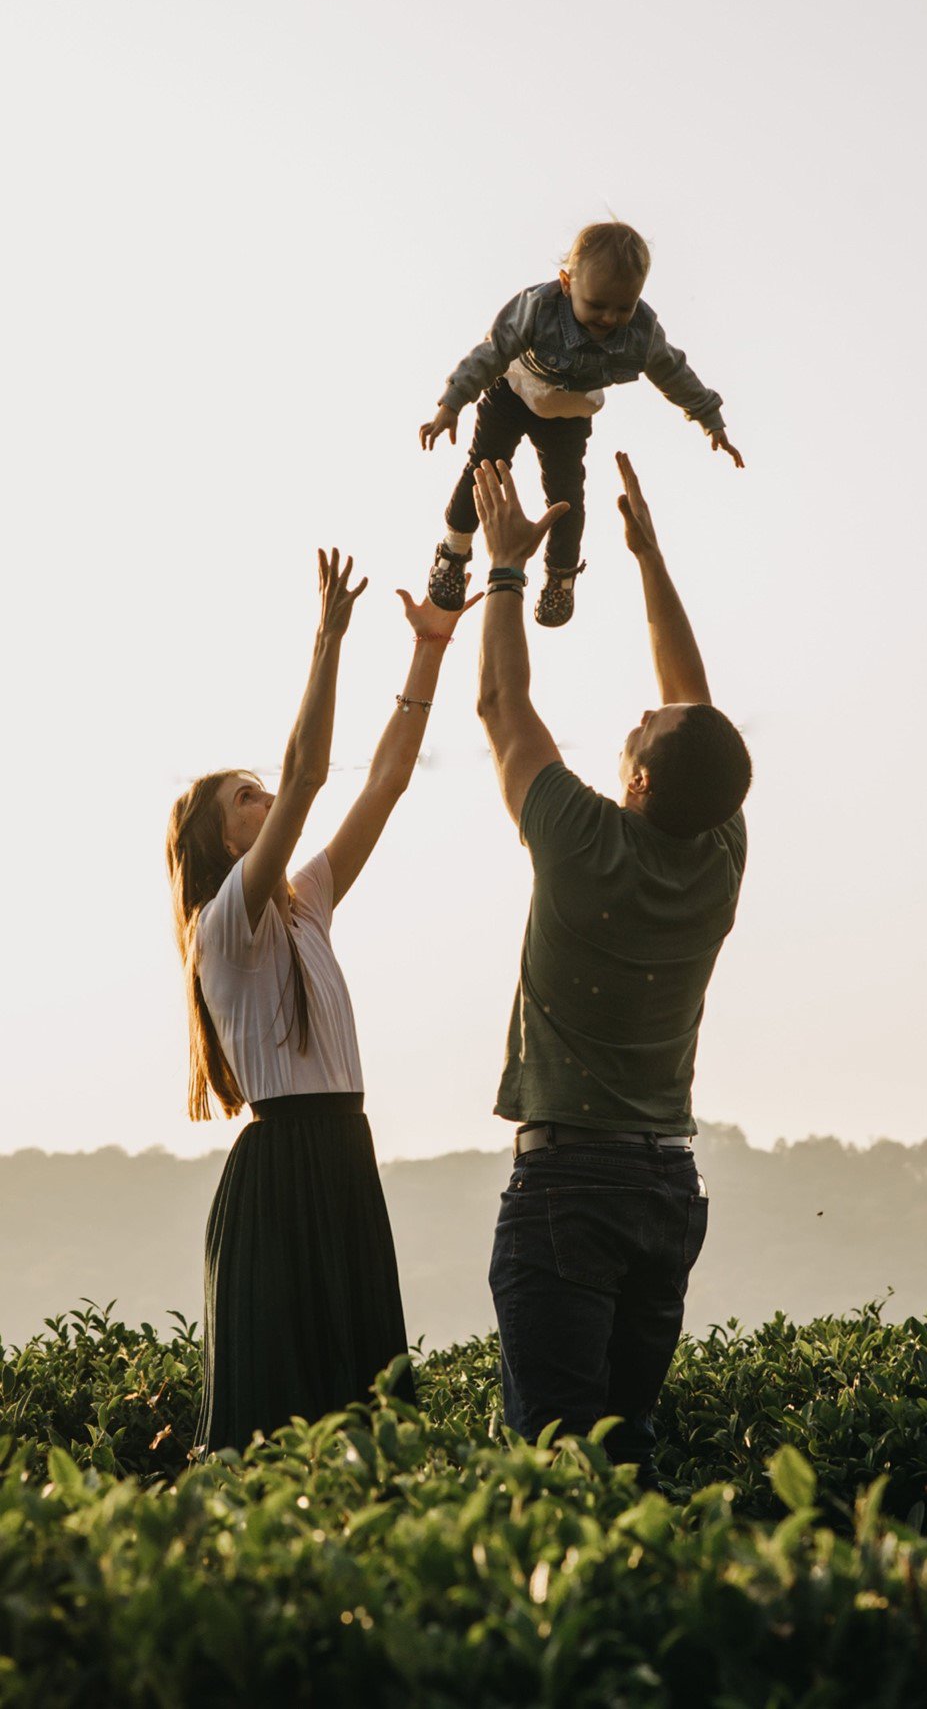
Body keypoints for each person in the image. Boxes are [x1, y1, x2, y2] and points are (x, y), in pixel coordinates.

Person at [470, 452, 752, 1486]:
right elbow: (697, 712)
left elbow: (502, 706)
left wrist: (505, 570)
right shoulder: (717, 850)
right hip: (665, 1184)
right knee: (627, 1458)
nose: (640, 711)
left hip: (571, 1182)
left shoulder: (583, 840)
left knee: (552, 1464)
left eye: (639, 730)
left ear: (633, 778)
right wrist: (647, 559)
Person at [165, 549, 472, 1453]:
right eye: (245, 798)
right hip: (283, 1172)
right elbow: (309, 777)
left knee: (367, 1419)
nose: (267, 801)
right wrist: (328, 641)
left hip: (342, 1155)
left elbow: (383, 783)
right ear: (218, 838)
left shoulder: (305, 905)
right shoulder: (225, 921)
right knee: (278, 1428)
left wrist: (430, 651)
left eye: (260, 791)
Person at [418, 220, 744, 629]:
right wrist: (452, 402)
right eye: (597, 305)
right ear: (567, 283)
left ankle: (561, 575)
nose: (609, 318)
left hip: (568, 413)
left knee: (566, 494)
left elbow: (674, 373)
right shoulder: (538, 307)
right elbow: (493, 350)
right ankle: (454, 549)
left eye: (623, 307)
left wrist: (709, 419)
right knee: (485, 467)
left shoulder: (641, 335)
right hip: (514, 390)